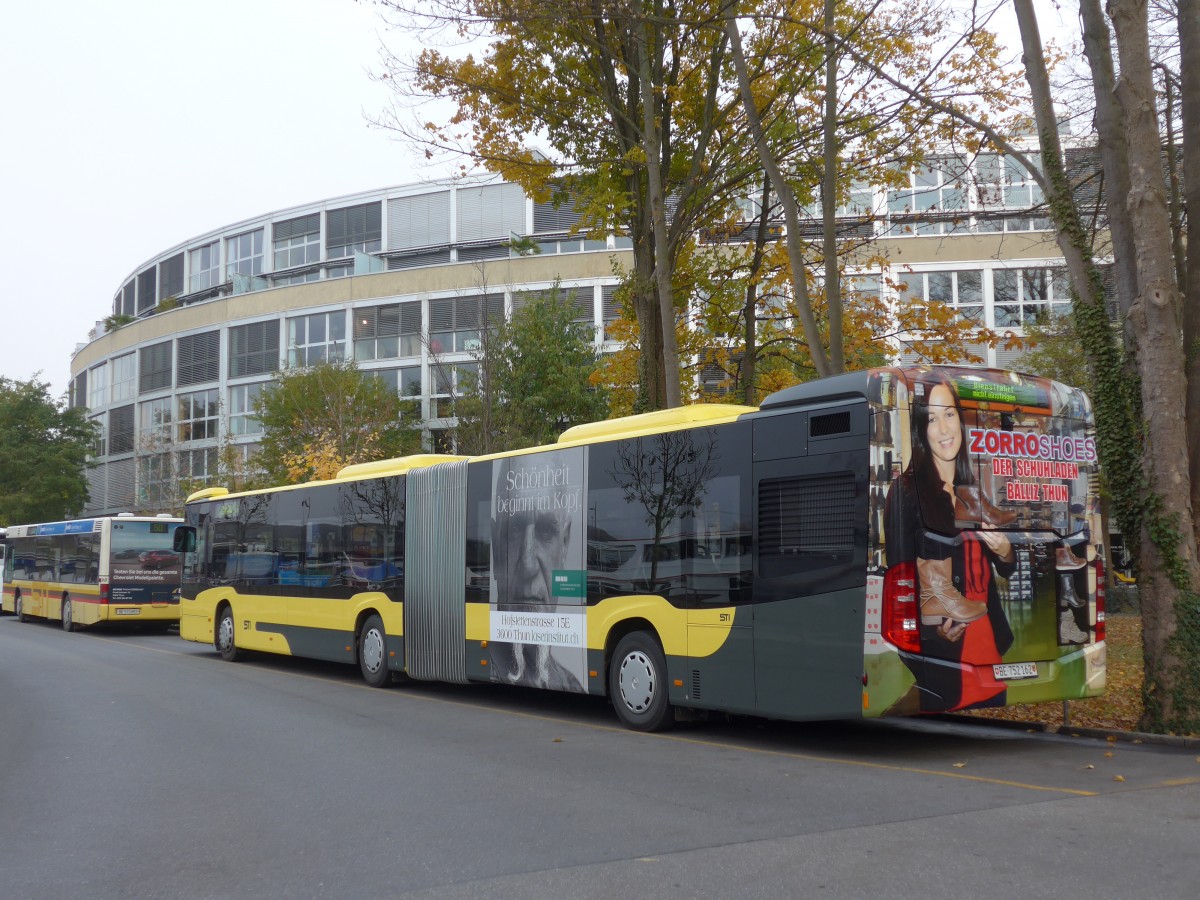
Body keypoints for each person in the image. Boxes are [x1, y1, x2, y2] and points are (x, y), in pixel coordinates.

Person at [885, 370, 1016, 712]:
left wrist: (1005, 552)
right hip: (946, 646)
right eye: (931, 419)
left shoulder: (969, 489)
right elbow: (900, 578)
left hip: (987, 639)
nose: (944, 429)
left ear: (960, 420)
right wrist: (930, 632)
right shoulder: (906, 493)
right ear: (919, 429)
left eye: (949, 415)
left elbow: (1003, 568)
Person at [489, 449, 585, 692]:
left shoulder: (573, 686)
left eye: (545, 532)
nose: (529, 565)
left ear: (564, 545)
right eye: (515, 529)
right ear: (496, 546)